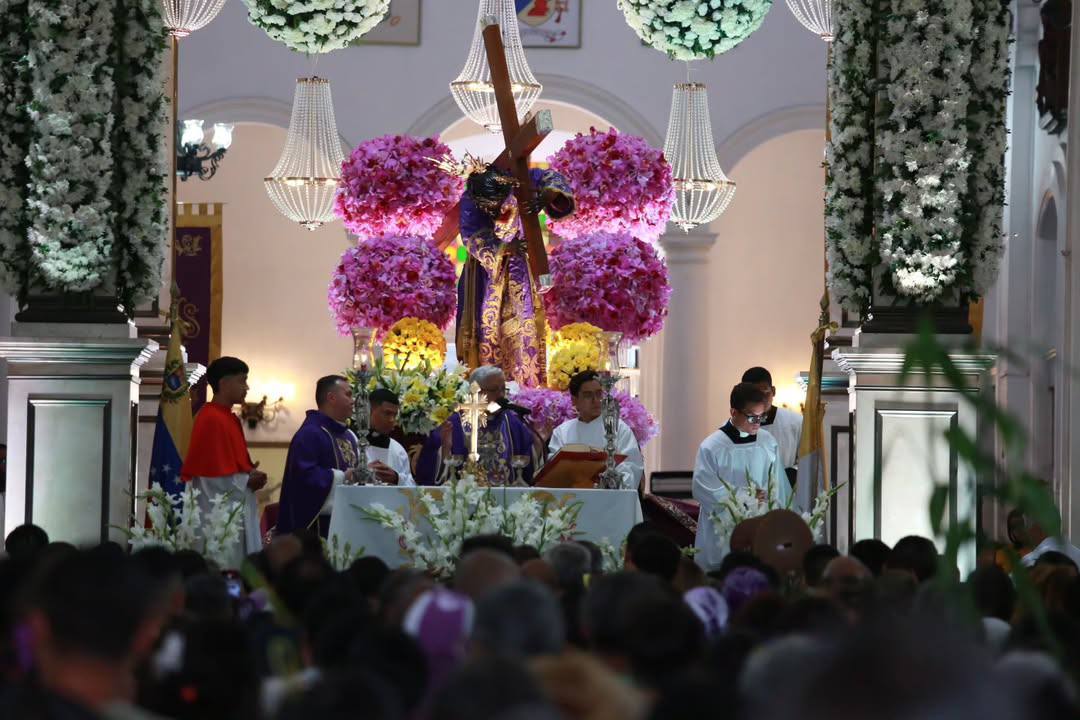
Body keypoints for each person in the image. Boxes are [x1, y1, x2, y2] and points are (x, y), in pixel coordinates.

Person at [455, 163, 576, 388]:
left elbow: (552, 178)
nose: (496, 212)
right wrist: (504, 248)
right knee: (487, 327)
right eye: (491, 209)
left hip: (520, 267)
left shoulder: (521, 179)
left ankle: (528, 385)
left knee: (523, 323)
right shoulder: (470, 197)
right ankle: (487, 386)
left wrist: (547, 195)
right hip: (485, 272)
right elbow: (472, 236)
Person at [180, 357, 267, 568]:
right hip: (218, 518)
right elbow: (207, 478)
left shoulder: (229, 418)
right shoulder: (210, 418)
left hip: (236, 510)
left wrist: (249, 473)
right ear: (224, 383)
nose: (247, 387)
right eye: (242, 380)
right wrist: (246, 481)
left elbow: (230, 465)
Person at [692, 383, 785, 569]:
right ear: (733, 412)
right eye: (752, 417)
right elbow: (703, 489)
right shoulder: (712, 446)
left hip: (760, 525)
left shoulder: (767, 442)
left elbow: (778, 484)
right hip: (722, 530)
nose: (757, 423)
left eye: (762, 416)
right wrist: (746, 497)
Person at [416, 366, 541, 486]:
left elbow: (529, 468)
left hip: (506, 497)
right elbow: (428, 474)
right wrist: (445, 448)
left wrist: (539, 442)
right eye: (494, 390)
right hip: (465, 498)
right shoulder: (453, 425)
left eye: (503, 389)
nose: (501, 395)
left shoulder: (512, 423)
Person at [276, 376, 358, 537]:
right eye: (348, 394)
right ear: (331, 398)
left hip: (347, 519)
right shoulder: (310, 433)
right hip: (317, 529)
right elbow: (303, 477)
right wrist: (343, 477)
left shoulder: (349, 435)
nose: (353, 400)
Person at [547, 370, 645, 490]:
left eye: (599, 394)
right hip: (573, 497)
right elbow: (555, 472)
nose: (596, 400)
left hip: (610, 497)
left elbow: (632, 467)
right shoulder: (562, 433)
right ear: (574, 400)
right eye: (588, 395)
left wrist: (607, 482)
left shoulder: (619, 428)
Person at [742, 367, 803, 496]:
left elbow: (807, 462)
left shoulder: (795, 422)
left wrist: (788, 475)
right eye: (754, 395)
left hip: (785, 495)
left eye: (764, 392)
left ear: (773, 391)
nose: (760, 399)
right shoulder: (736, 427)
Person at [365, 388, 416, 487]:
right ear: (369, 411)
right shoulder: (353, 442)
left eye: (395, 415)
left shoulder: (398, 450)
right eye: (387, 413)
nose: (392, 420)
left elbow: (412, 487)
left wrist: (396, 478)